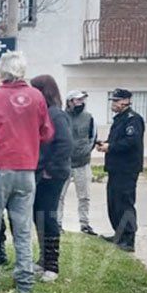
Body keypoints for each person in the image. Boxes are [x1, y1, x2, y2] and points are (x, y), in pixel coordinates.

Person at [0, 51, 53, 293]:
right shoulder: (36, 96)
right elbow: (47, 132)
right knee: (23, 228)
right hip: (26, 170)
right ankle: (24, 283)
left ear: (2, 71)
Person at [30, 75, 72, 283]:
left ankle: (52, 265)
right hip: (41, 173)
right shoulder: (44, 113)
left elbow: (65, 144)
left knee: (48, 217)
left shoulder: (56, 115)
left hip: (53, 175)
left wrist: (50, 169)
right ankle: (43, 259)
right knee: (38, 215)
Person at [99, 89, 144, 252]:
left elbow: (131, 142)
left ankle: (128, 239)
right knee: (114, 202)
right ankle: (119, 234)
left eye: (116, 101)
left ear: (126, 101)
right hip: (116, 168)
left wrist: (110, 147)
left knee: (125, 203)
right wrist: (105, 144)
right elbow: (117, 139)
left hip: (127, 168)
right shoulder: (119, 119)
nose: (113, 104)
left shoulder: (133, 119)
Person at [60, 89, 97, 236]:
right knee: (59, 196)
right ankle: (57, 223)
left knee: (84, 196)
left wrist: (86, 151)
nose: (81, 103)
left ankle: (85, 224)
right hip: (64, 163)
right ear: (70, 102)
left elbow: (93, 137)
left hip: (83, 163)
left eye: (82, 100)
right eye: (78, 100)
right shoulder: (61, 117)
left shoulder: (89, 117)